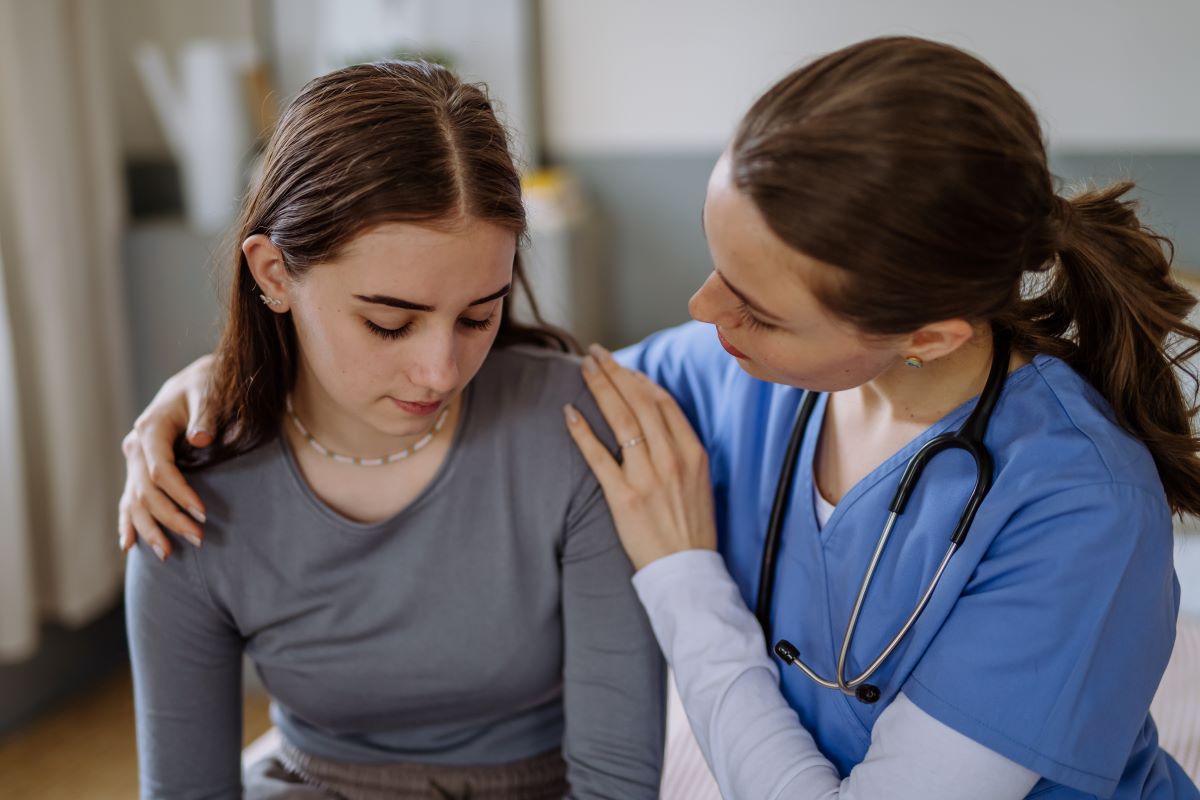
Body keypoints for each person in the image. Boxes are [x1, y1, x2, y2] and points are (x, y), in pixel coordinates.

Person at [121, 38, 1200, 798]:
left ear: (926, 333)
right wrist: (214, 382)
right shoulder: (737, 375)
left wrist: (682, 576)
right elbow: (482, 393)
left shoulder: (1075, 511)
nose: (699, 311)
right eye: (716, 263)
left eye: (756, 304)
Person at [120, 60, 664, 800]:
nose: (441, 371)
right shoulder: (185, 485)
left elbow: (614, 784)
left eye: (479, 315)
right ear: (274, 274)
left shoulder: (574, 434)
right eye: (388, 323)